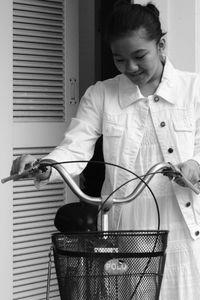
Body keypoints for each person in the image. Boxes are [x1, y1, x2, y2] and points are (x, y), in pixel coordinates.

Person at [10, 1, 200, 299]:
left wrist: (193, 165)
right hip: (128, 233)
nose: (131, 68)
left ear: (161, 45)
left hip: (186, 233)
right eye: (120, 60)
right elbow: (74, 149)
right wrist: (44, 165)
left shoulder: (194, 89)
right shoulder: (101, 94)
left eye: (139, 56)